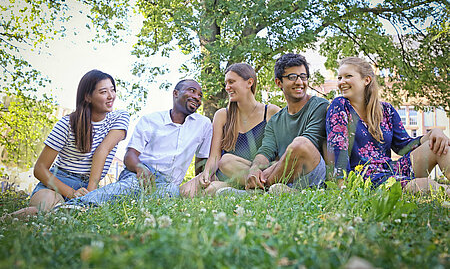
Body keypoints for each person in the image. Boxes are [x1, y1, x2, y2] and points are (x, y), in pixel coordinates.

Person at [64, 79, 212, 205]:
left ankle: (125, 202)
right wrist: (141, 169)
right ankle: (79, 205)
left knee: (172, 193)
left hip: (168, 184)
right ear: (175, 93)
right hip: (138, 173)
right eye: (192, 91)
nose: (197, 97)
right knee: (132, 186)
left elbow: (202, 162)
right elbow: (130, 156)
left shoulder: (204, 125)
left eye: (200, 95)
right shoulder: (151, 120)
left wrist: (201, 187)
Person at [7, 70, 129, 218]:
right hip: (58, 183)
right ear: (88, 96)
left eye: (112, 90)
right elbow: (40, 168)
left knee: (68, 217)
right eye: (103, 92)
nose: (111, 96)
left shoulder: (119, 118)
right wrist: (71, 193)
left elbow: (102, 150)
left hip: (90, 186)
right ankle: (6, 221)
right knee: (44, 210)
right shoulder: (67, 124)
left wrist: (89, 195)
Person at [326, 57, 450, 195]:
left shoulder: (387, 110)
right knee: (423, 185)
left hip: (391, 169)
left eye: (348, 76)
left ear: (366, 80)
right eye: (339, 78)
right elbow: (338, 149)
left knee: (440, 147)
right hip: (364, 178)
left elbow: (403, 146)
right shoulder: (339, 106)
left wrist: (432, 134)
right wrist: (343, 186)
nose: (341, 82)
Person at [180, 63, 280, 197]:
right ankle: (244, 190)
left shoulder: (271, 112)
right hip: (225, 174)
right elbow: (215, 156)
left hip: (256, 172)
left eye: (231, 82)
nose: (227, 88)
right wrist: (206, 173)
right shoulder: (222, 115)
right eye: (226, 83)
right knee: (185, 191)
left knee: (226, 162)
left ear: (249, 82)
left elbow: (281, 154)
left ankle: (252, 187)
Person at [244, 53, 329, 192]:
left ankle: (259, 191)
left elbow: (308, 143)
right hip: (284, 177)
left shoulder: (319, 105)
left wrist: (269, 170)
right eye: (292, 77)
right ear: (279, 83)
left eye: (303, 77)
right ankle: (276, 189)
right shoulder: (275, 120)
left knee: (300, 143)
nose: (299, 82)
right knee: (229, 161)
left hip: (312, 175)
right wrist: (254, 169)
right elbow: (266, 151)